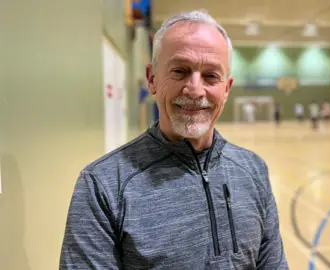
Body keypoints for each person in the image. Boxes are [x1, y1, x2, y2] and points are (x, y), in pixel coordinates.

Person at [59, 10, 289, 270]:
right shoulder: (103, 185)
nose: (195, 89)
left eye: (211, 76)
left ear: (226, 88)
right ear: (152, 79)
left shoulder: (253, 170)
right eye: (180, 71)